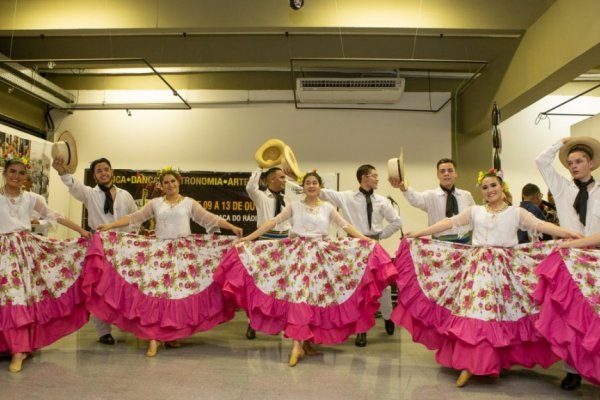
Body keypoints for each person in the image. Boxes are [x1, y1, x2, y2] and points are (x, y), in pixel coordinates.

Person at [392, 169, 582, 387]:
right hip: (478, 268)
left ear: (502, 188)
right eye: (485, 187)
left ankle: (492, 359)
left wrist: (566, 233)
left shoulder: (516, 212)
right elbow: (449, 223)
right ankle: (472, 363)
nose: (490, 190)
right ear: (481, 191)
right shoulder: (475, 211)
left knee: (501, 313)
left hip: (505, 269)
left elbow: (539, 226)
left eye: (494, 186)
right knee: (477, 312)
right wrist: (420, 233)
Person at [216, 172, 397, 367]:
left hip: (320, 258)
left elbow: (346, 225)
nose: (311, 186)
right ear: (303, 187)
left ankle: (308, 343)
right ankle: (296, 344)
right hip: (298, 257)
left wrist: (365, 239)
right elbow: (272, 222)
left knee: (314, 297)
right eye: (308, 183)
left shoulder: (328, 207)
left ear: (320, 187)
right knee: (299, 296)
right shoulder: (295, 206)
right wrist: (250, 238)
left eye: (315, 183)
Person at [93, 167, 243, 357]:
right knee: (157, 294)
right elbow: (134, 217)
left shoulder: (188, 203)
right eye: (166, 182)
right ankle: (153, 338)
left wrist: (231, 226)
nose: (170, 185)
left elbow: (209, 217)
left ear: (178, 182)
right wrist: (110, 226)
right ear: (161, 185)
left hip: (184, 254)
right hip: (160, 253)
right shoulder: (156, 203)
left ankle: (171, 335)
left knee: (177, 295)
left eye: (173, 181)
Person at [0, 158, 91, 373]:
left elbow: (54, 215)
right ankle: (8, 345)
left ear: (26, 177)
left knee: (18, 297)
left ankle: (19, 350)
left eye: (21, 173)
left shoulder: (31, 198)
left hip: (23, 253)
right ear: (4, 173)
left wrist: (81, 230)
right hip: (2, 251)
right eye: (12, 171)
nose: (16, 176)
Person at [535, 136, 600, 390]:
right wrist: (559, 144)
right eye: (570, 162)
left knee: (593, 318)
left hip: (595, 258)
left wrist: (577, 243)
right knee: (569, 317)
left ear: (591, 164)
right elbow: (540, 161)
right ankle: (572, 370)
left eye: (579, 161)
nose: (574, 166)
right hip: (570, 262)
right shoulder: (562, 187)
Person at [53, 156, 137, 346]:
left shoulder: (126, 195)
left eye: (106, 169)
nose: (103, 173)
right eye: (99, 171)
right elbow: (74, 186)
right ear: (94, 176)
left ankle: (126, 323)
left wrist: (135, 239)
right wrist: (62, 172)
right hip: (99, 246)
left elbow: (135, 218)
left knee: (123, 286)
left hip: (123, 246)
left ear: (112, 171)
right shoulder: (90, 193)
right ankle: (104, 331)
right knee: (100, 288)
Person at [316, 164, 402, 347]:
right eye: (374, 175)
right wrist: (300, 177)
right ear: (364, 178)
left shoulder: (382, 201)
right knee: (356, 289)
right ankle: (360, 331)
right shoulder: (346, 197)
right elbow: (321, 193)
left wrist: (379, 235)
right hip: (353, 248)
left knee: (384, 287)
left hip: (374, 246)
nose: (378, 179)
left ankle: (388, 317)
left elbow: (396, 221)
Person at [529, 233, 600, 388]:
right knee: (575, 321)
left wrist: (574, 243)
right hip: (583, 257)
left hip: (587, 253)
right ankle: (573, 370)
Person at [244, 166, 293, 340]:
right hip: (265, 243)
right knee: (261, 285)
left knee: (282, 286)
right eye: (281, 177)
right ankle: (253, 323)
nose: (284, 180)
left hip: (284, 244)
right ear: (271, 180)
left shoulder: (288, 200)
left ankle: (280, 321)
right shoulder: (261, 196)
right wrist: (260, 167)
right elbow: (250, 187)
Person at [390, 158, 475, 243]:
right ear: (437, 175)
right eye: (442, 171)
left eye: (450, 170)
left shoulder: (466, 195)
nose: (446, 174)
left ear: (455, 174)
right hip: (439, 245)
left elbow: (474, 218)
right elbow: (415, 199)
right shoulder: (431, 196)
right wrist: (404, 189)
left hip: (465, 244)